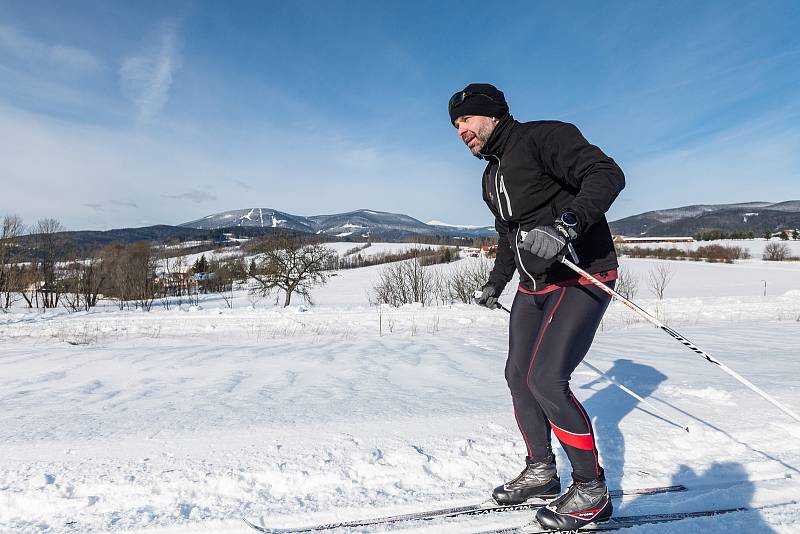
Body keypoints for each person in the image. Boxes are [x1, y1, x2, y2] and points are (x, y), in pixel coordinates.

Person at [448, 83, 625, 531]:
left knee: (547, 380)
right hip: (533, 286)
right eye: (455, 125)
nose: (461, 130)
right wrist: (495, 283)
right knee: (518, 377)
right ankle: (543, 471)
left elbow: (607, 174)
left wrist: (566, 226)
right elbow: (509, 237)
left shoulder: (545, 137)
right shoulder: (491, 177)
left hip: (581, 274)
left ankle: (591, 490)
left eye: (467, 119)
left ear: (492, 114)